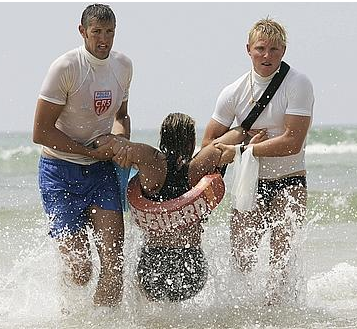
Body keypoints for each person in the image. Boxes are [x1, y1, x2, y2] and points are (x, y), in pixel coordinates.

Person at [95, 113, 267, 302]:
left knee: (152, 312)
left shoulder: (151, 162)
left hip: (152, 263)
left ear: (162, 137)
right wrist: (248, 138)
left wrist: (109, 143)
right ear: (192, 142)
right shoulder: (198, 165)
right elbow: (233, 137)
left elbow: (115, 146)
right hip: (191, 265)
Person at [202, 17, 314, 304]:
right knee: (242, 260)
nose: (267, 56)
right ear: (248, 49)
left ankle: (279, 314)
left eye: (274, 50)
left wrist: (243, 151)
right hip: (249, 182)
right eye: (261, 48)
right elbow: (208, 145)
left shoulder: (298, 83)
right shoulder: (233, 91)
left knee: (280, 265)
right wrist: (240, 134)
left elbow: (293, 141)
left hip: (289, 181)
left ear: (284, 51)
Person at [32, 3, 132, 307]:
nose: (103, 39)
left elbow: (122, 116)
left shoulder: (123, 66)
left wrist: (119, 142)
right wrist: (87, 150)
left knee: (114, 263)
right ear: (82, 31)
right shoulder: (65, 68)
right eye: (97, 32)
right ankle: (69, 312)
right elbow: (41, 132)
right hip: (59, 171)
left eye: (110, 32)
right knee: (80, 271)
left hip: (101, 173)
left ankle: (104, 324)